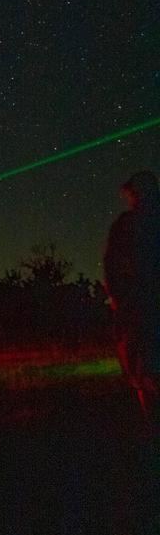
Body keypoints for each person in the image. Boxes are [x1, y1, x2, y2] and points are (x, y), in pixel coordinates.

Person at [104, 170, 160, 428]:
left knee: (143, 367)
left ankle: (151, 424)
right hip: (139, 305)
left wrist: (119, 297)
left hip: (139, 307)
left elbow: (112, 266)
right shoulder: (130, 224)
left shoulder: (127, 224)